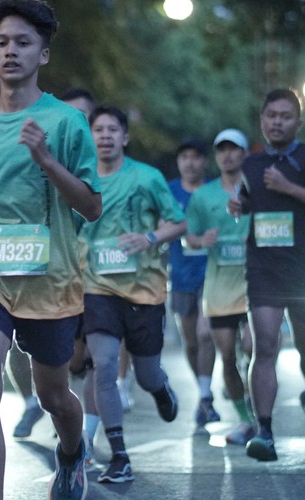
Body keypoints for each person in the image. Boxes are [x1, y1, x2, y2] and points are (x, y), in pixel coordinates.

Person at [0, 1, 102, 499]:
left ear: (43, 55)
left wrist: (47, 160)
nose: (11, 51)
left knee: (54, 395)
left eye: (24, 42)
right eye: (2, 43)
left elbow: (92, 206)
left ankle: (71, 453)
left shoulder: (67, 122)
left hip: (50, 277)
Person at [80, 105, 185, 483]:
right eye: (99, 130)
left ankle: (160, 388)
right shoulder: (81, 180)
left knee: (146, 374)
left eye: (113, 129)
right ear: (90, 137)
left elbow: (179, 222)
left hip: (144, 291)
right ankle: (119, 455)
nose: (105, 136)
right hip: (97, 288)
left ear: (125, 137)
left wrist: (150, 237)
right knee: (104, 365)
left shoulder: (147, 177)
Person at [228, 89, 305, 461]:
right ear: (262, 120)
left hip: (304, 272)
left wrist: (289, 188)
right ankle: (264, 432)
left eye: (286, 116)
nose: (277, 122)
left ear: (298, 122)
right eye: (271, 116)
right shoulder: (251, 164)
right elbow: (248, 200)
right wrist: (239, 205)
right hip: (263, 269)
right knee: (265, 345)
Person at [185, 129, 255, 446]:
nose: (227, 155)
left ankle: (258, 402)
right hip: (220, 290)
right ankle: (245, 419)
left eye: (233, 149)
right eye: (221, 150)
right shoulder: (203, 196)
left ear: (244, 154)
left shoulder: (257, 190)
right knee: (227, 357)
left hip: (255, 285)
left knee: (254, 349)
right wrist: (201, 240)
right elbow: (188, 237)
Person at [168, 138, 220, 432]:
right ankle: (203, 391)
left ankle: (206, 395)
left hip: (213, 274)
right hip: (181, 276)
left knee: (205, 334)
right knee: (190, 342)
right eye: (184, 156)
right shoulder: (169, 192)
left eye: (196, 157)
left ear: (205, 161)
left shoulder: (215, 190)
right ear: (178, 162)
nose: (190, 162)